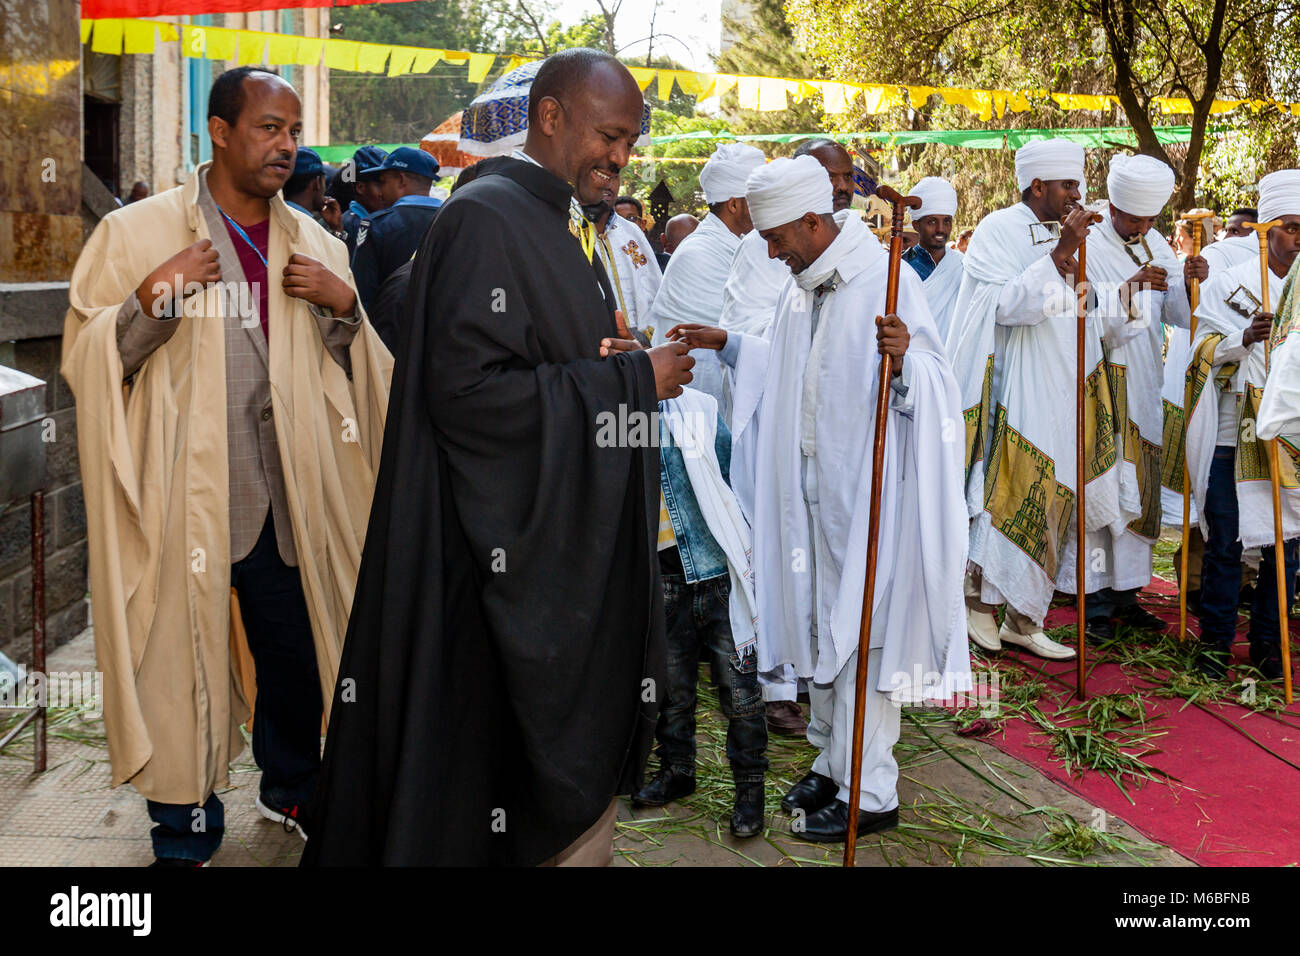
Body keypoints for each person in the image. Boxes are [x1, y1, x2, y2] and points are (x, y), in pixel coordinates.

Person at [302, 48, 695, 867]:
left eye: (631, 142)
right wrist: (629, 378)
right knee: (481, 781)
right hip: (484, 568)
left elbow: (536, 359)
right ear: (550, 118)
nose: (620, 158)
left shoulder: (558, 222)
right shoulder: (489, 216)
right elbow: (470, 397)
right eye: (609, 135)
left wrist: (608, 361)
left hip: (542, 555)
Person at [60, 66, 392, 867]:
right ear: (218, 131)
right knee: (178, 659)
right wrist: (150, 300)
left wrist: (345, 311)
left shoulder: (317, 242)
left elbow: (365, 373)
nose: (286, 145)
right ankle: (183, 824)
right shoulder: (138, 234)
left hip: (289, 499)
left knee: (301, 656)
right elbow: (87, 358)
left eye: (293, 131)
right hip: (184, 494)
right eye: (268, 128)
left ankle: (294, 786)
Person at [671, 155, 970, 842]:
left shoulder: (884, 280)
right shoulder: (801, 285)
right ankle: (833, 763)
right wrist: (731, 342)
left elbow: (936, 384)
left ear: (812, 221)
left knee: (861, 635)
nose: (771, 253)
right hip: (809, 495)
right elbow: (787, 367)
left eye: (777, 238)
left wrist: (907, 363)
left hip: (865, 497)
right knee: (819, 627)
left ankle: (872, 791)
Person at [946, 139, 1125, 661]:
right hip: (1015, 386)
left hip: (1070, 384)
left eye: (1078, 184)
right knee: (1010, 489)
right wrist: (1060, 254)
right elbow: (1002, 306)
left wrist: (1115, 290)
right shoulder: (998, 230)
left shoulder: (1082, 236)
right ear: (1037, 186)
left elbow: (1100, 312)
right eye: (1068, 185)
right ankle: (979, 602)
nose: (1077, 194)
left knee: (1057, 494)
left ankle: (1026, 617)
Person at [626, 376, 768, 838]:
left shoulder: (697, 409)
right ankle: (677, 771)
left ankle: (749, 790)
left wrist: (748, 559)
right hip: (662, 578)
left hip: (716, 571)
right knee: (672, 687)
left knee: (740, 692)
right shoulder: (617, 421)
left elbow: (734, 482)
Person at [1184, 170, 1300, 679]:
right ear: (1266, 229)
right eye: (1291, 227)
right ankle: (1213, 643)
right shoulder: (1231, 285)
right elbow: (1201, 352)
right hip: (1234, 432)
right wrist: (1244, 338)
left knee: (1286, 547)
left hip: (1291, 436)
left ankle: (1270, 645)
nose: (1298, 238)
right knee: (1228, 545)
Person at [1074, 154, 1190, 642]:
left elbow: (1181, 315)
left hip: (1144, 379)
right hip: (1102, 377)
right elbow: (1081, 312)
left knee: (1138, 488)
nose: (1141, 227)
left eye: (1149, 219)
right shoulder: (1086, 241)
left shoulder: (1156, 241)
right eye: (1133, 218)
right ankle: (1095, 602)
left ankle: (1128, 595)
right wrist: (1130, 287)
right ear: (1114, 206)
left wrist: (1190, 278)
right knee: (1103, 483)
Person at [650, 143, 765, 406]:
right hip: (699, 401)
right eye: (757, 198)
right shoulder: (699, 253)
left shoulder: (739, 243)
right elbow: (742, 331)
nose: (765, 205)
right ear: (735, 204)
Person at [351, 146, 442, 336]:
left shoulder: (377, 225)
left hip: (391, 341)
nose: (381, 192)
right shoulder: (455, 220)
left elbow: (362, 295)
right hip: (441, 339)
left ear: (400, 180)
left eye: (383, 182)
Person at [588, 172, 663, 336]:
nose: (607, 183)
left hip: (640, 334)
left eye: (612, 176)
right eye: (598, 174)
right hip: (595, 337)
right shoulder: (571, 229)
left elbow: (652, 284)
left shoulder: (631, 232)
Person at [902, 176, 965, 340]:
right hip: (913, 358)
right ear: (916, 225)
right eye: (932, 222)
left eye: (946, 221)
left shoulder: (963, 266)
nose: (940, 229)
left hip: (954, 358)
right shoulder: (901, 267)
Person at [329, 146, 389, 257]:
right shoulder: (350, 227)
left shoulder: (379, 224)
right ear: (360, 187)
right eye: (380, 184)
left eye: (388, 184)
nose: (385, 192)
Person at [792, 138, 856, 212]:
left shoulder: (855, 223)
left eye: (847, 177)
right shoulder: (782, 222)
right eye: (829, 177)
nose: (843, 187)